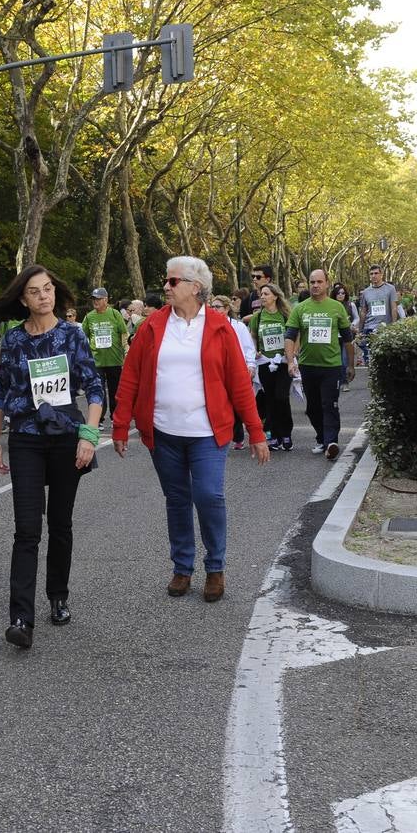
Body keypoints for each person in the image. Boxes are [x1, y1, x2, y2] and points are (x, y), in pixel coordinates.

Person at [112, 256, 268, 603]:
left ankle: (215, 567)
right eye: (166, 282)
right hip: (163, 432)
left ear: (195, 288)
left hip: (207, 433)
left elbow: (239, 383)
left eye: (172, 282)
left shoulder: (219, 326)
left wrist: (256, 432)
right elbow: (131, 377)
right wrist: (120, 426)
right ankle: (182, 568)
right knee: (178, 500)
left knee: (209, 496)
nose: (165, 287)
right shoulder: (152, 326)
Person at [0, 266, 104, 649]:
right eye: (35, 291)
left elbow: (94, 386)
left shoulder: (72, 335)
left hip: (66, 437)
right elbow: (1, 393)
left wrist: (89, 436)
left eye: (49, 289)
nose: (44, 296)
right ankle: (21, 618)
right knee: (26, 529)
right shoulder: (14, 339)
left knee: (60, 522)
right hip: (25, 439)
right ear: (23, 298)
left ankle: (58, 596)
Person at [285, 269, 356, 461]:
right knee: (313, 408)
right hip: (308, 365)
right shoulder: (300, 308)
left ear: (327, 284)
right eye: (312, 282)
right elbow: (290, 335)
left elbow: (348, 339)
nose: (315, 285)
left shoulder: (336, 307)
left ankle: (331, 442)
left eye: (319, 282)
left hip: (331, 366)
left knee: (329, 404)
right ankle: (323, 438)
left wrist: (350, 365)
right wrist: (290, 361)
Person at [248, 283, 294, 451]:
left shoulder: (285, 315)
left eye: (266, 293)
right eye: (261, 294)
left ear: (275, 296)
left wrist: (293, 353)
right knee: (270, 399)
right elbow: (252, 336)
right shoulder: (257, 317)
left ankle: (286, 432)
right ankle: (274, 435)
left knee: (281, 396)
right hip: (265, 362)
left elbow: (296, 334)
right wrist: (255, 351)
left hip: (283, 361)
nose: (263, 296)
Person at [210, 294, 257, 449]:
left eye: (218, 307)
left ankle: (240, 435)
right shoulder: (208, 327)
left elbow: (249, 348)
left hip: (238, 371)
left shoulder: (238, 327)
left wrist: (250, 365)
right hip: (218, 372)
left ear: (227, 309)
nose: (214, 310)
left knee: (237, 404)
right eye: (212, 307)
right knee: (223, 403)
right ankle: (234, 436)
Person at [81, 286, 129, 429]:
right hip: (97, 361)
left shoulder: (114, 314)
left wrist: (126, 350)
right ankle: (99, 419)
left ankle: (115, 417)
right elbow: (83, 337)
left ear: (106, 300)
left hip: (114, 360)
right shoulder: (89, 317)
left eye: (98, 299)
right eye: (93, 299)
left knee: (115, 390)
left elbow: (123, 333)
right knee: (98, 390)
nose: (95, 301)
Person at [358, 265, 399, 366]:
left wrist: (394, 326)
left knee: (384, 359)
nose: (374, 276)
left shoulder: (390, 289)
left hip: (385, 328)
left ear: (381, 274)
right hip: (369, 328)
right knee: (370, 359)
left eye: (376, 273)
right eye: (371, 274)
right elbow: (363, 311)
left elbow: (394, 308)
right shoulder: (366, 292)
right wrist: (360, 330)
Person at [332, 283, 359, 391]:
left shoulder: (350, 305)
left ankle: (344, 382)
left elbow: (357, 318)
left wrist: (351, 325)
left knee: (344, 360)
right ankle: (337, 381)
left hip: (346, 336)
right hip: (333, 336)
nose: (340, 295)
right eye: (338, 293)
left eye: (343, 293)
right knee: (335, 361)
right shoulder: (330, 305)